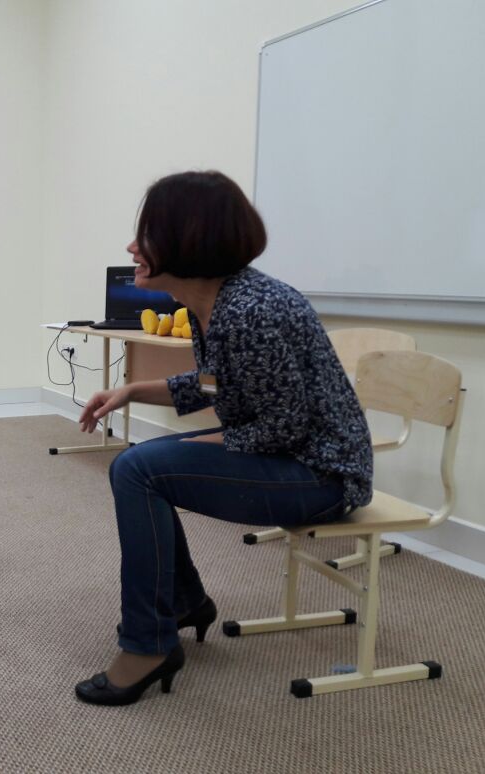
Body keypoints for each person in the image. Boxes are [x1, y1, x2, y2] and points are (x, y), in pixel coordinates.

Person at [74, 171, 373, 706]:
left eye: (147, 234)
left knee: (139, 468)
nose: (132, 247)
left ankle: (147, 645)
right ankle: (184, 602)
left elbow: (283, 428)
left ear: (188, 241)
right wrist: (131, 390)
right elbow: (216, 384)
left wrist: (206, 444)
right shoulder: (211, 304)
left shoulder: (251, 312)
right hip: (294, 455)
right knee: (138, 466)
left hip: (323, 475)